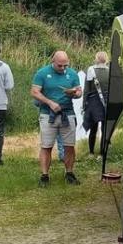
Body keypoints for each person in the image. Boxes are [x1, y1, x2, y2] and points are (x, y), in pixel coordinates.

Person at [31, 50, 82, 187]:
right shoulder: (42, 73)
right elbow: (34, 92)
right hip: (48, 114)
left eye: (66, 65)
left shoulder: (72, 74)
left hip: (68, 113)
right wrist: (49, 102)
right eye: (60, 65)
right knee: (46, 146)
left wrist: (75, 94)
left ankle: (69, 173)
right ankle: (44, 176)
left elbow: (79, 91)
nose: (63, 68)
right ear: (52, 62)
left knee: (69, 146)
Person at [83, 51, 109, 156]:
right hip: (107, 102)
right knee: (104, 129)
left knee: (93, 128)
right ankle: (103, 153)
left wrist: (84, 104)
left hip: (93, 101)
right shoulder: (110, 71)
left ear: (96, 59)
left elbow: (87, 90)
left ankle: (91, 152)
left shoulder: (91, 70)